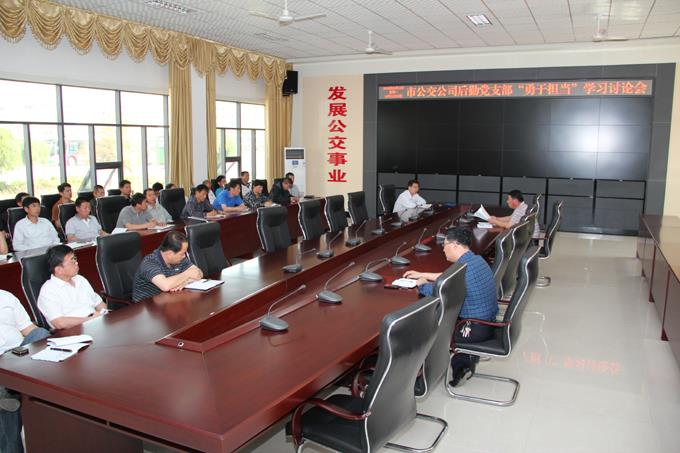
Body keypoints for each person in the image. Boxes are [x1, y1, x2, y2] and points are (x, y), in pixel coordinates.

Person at [403, 227, 498, 387]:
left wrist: (422, 285)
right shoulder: (474, 260)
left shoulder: (464, 270)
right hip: (487, 323)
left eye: (444, 245)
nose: (443, 249)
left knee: (426, 334)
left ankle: (422, 381)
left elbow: (441, 291)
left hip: (473, 329)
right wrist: (423, 274)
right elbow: (448, 277)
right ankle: (463, 365)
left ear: (454, 245)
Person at [0, 289, 50, 453]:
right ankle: (8, 391)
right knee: (7, 404)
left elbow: (28, 329)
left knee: (41, 332)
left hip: (19, 352)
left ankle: (8, 391)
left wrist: (47, 342)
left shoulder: (6, 296)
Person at [37, 245, 107, 329]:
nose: (76, 263)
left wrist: (105, 314)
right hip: (74, 331)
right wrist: (89, 320)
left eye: (75, 259)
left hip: (96, 324)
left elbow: (99, 304)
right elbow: (59, 323)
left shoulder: (80, 279)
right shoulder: (48, 290)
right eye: (72, 261)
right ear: (59, 270)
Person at [132, 231, 203, 302]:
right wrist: (188, 274)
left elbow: (199, 273)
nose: (184, 256)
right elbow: (165, 286)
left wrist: (186, 282)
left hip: (169, 300)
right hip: (147, 305)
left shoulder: (179, 258)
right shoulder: (149, 262)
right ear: (170, 254)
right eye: (182, 253)